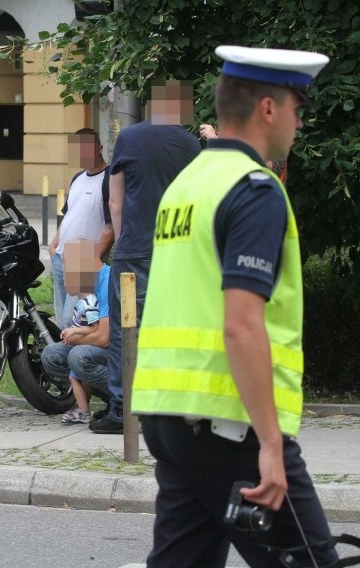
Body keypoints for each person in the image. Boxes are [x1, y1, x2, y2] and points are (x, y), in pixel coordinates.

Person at [131, 46, 337, 566]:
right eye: (298, 108)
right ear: (269, 108)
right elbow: (241, 324)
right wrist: (271, 443)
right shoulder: (253, 190)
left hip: (168, 414)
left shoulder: (187, 186)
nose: (300, 122)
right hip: (230, 423)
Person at [90, 81, 201, 434]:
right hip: (177, 252)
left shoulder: (130, 138)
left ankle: (123, 411)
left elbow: (115, 201)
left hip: (135, 250)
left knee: (127, 330)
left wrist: (123, 241)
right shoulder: (191, 144)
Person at [48, 128, 114, 330]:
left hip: (84, 261)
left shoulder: (109, 178)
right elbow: (69, 214)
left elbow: (111, 227)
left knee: (74, 319)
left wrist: (90, 262)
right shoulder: (77, 177)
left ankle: (78, 359)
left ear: (100, 148)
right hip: (61, 257)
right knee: (62, 321)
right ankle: (62, 361)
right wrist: (54, 246)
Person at [41, 239, 111, 424]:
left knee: (78, 356)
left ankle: (124, 396)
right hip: (94, 344)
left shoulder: (107, 282)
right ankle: (96, 402)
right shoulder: (86, 287)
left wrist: (75, 337)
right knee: (51, 354)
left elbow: (104, 337)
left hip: (116, 348)